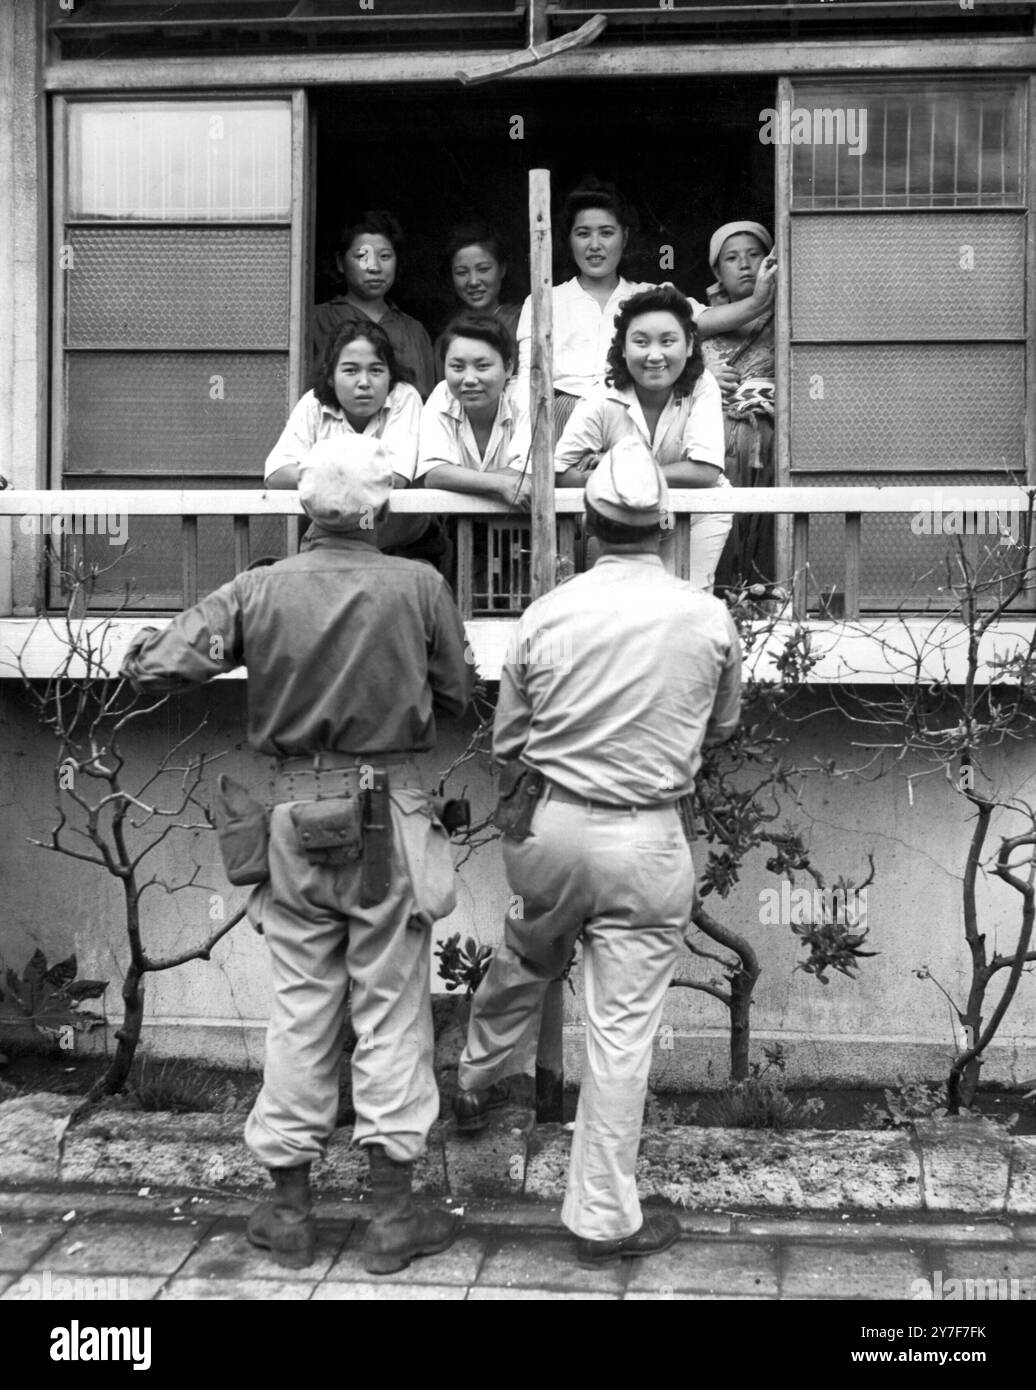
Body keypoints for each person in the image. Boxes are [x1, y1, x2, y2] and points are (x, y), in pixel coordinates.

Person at [121, 436, 472, 1276]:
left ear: (303, 511)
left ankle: (287, 1212)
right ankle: (390, 1218)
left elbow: (159, 667)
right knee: (391, 1009)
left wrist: (140, 644)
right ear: (380, 512)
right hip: (388, 813)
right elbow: (460, 693)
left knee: (301, 1008)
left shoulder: (258, 588)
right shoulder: (419, 585)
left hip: (290, 817)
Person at [453, 436, 742, 1268]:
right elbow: (720, 727)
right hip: (652, 835)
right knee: (620, 1037)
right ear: (663, 526)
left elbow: (509, 739)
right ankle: (603, 1220)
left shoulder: (546, 614)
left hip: (554, 826)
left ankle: (473, 1080)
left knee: (527, 952)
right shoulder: (707, 616)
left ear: (589, 527)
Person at [515, 179, 777, 435]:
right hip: (561, 420)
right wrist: (523, 450)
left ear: (625, 237)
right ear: (569, 239)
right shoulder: (544, 300)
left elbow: (707, 318)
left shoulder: (647, 296)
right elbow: (529, 380)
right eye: (583, 233)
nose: (595, 245)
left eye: (606, 233)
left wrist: (757, 301)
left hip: (631, 422)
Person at [554, 285, 732, 592]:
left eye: (668, 341)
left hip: (697, 515)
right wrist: (616, 480)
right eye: (640, 342)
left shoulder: (702, 385)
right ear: (623, 348)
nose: (654, 355)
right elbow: (561, 474)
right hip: (620, 520)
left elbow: (704, 471)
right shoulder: (602, 397)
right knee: (617, 607)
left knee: (682, 605)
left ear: (689, 345)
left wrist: (616, 470)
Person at [266, 319, 438, 561]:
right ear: (330, 376)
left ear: (391, 376)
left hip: (402, 544)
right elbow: (276, 473)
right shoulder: (313, 403)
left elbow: (395, 479)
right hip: (333, 542)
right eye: (350, 370)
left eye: (376, 370)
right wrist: (352, 478)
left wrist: (323, 477)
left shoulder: (404, 397)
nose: (364, 382)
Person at [699, 221, 777, 586]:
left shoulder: (787, 318)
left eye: (754, 255)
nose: (745, 264)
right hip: (714, 448)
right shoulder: (697, 319)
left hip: (768, 449)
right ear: (717, 271)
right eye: (732, 258)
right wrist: (702, 375)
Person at [312, 211, 436, 400]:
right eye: (363, 256)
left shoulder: (415, 331)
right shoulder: (315, 320)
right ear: (340, 262)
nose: (375, 267)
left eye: (385, 256)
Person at [418, 312, 531, 510]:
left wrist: (458, 479)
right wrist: (500, 484)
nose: (469, 379)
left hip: (517, 521)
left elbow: (527, 475)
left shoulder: (524, 397)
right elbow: (434, 474)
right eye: (457, 367)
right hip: (453, 524)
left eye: (482, 366)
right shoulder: (441, 395)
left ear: (508, 367)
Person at [433, 223, 522, 382]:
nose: (473, 281)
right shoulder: (447, 336)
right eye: (461, 272)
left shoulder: (523, 322)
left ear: (502, 269)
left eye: (483, 269)